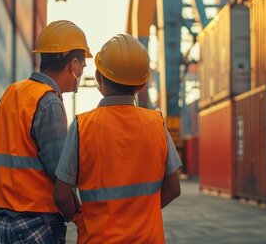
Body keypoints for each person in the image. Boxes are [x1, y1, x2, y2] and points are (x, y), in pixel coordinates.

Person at [54, 33, 182, 243]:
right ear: (141, 86)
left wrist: (78, 218)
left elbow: (61, 194)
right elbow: (174, 188)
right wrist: (142, 213)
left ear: (98, 78)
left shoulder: (82, 126)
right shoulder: (156, 123)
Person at [0, 20, 91, 244]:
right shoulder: (48, 101)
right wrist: (78, 214)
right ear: (73, 65)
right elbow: (60, 173)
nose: (82, 73)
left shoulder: (12, 92)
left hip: (4, 223)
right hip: (35, 222)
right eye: (83, 67)